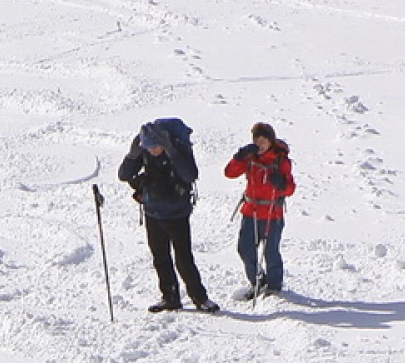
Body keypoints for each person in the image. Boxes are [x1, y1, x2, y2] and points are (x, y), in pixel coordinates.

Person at [118, 119, 219, 314]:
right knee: (160, 257)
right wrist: (132, 156)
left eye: (156, 146)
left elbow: (190, 175)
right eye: (149, 147)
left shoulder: (177, 148)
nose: (153, 150)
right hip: (152, 212)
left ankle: (200, 298)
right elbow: (123, 175)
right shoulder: (143, 151)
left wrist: (172, 152)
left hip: (177, 213)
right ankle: (170, 297)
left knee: (184, 258)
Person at [224, 122, 296, 300]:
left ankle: (274, 285)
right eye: (257, 139)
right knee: (245, 249)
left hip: (272, 212)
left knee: (271, 251)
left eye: (264, 140)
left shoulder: (280, 161)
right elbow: (229, 173)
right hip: (251, 211)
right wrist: (238, 157)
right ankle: (257, 282)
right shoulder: (250, 158)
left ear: (271, 141)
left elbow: (290, 188)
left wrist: (281, 184)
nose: (260, 144)